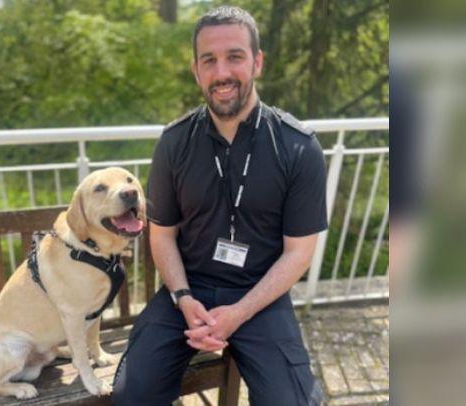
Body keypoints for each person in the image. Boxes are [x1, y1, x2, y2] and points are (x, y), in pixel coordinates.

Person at [113, 6, 327, 406]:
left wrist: (239, 312)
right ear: (196, 70)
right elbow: (162, 237)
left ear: (257, 62)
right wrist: (182, 297)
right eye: (209, 60)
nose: (221, 72)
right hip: (186, 292)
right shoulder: (174, 143)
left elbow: (298, 254)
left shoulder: (298, 148)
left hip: (258, 295)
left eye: (235, 56)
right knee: (132, 394)